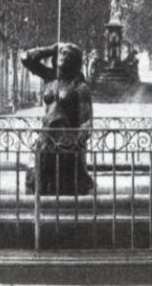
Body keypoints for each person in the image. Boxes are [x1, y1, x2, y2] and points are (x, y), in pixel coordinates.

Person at [20, 42, 93, 195]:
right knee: (39, 186)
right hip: (46, 138)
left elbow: (86, 123)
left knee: (63, 187)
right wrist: (51, 48)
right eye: (62, 53)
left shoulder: (80, 87)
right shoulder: (50, 77)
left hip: (66, 142)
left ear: (75, 62)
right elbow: (25, 58)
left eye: (68, 55)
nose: (63, 57)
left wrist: (74, 143)